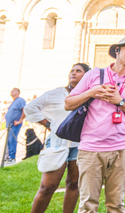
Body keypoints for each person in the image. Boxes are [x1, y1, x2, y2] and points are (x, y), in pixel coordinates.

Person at [65, 35, 125, 213]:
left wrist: (120, 102)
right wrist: (91, 92)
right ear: (117, 50)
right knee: (88, 205)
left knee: (116, 205)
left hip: (123, 148)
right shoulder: (94, 74)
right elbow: (68, 104)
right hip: (91, 148)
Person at [25, 63, 90, 213]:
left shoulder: (89, 95)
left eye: (78, 71)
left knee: (74, 183)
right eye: (72, 71)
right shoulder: (56, 93)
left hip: (80, 144)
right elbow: (30, 108)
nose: (73, 73)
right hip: (57, 143)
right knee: (47, 186)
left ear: (86, 75)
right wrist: (48, 124)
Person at [4, 87, 26, 165]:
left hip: (15, 124)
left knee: (12, 140)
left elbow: (25, 110)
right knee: (9, 141)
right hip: (9, 125)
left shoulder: (20, 100)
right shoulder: (13, 101)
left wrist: (20, 120)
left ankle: (12, 157)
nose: (11, 92)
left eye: (13, 90)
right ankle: (8, 156)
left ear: (18, 92)